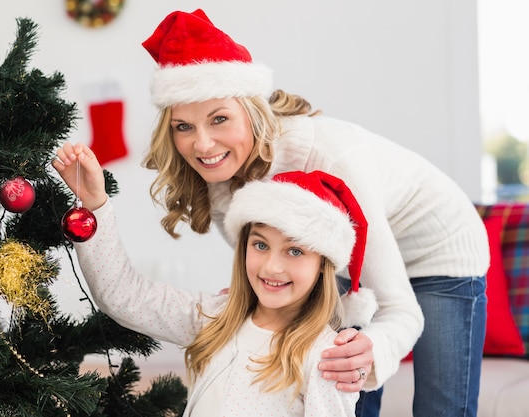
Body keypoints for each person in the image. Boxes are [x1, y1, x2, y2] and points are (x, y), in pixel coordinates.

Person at [134, 9, 489, 417]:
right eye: (184, 127)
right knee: (342, 377)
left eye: (220, 119)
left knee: (440, 407)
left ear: (252, 112)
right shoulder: (220, 177)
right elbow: (268, 265)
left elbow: (398, 308)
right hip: (344, 257)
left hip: (439, 249)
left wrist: (373, 348)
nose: (203, 144)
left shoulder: (329, 157)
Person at [54, 162, 378, 416]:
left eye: (295, 251)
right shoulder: (215, 318)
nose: (271, 267)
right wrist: (95, 203)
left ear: (323, 265)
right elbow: (124, 295)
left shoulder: (326, 358)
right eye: (261, 245)